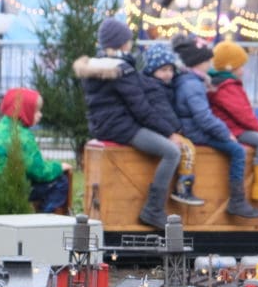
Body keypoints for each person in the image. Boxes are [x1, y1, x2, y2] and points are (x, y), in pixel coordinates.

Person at [75, 18, 182, 229]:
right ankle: (153, 209)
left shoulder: (96, 67)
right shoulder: (122, 69)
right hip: (122, 128)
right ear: (122, 43)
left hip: (103, 125)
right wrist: (169, 132)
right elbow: (141, 109)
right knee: (172, 152)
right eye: (128, 40)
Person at [171, 35, 258, 219]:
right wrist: (225, 133)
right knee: (237, 151)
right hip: (194, 132)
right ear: (198, 63)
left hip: (191, 128)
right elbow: (204, 117)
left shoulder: (191, 81)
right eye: (207, 60)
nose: (210, 64)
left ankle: (237, 200)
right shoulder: (192, 85)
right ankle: (237, 201)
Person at [207, 41, 258, 203]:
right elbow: (243, 114)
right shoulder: (227, 86)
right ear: (230, 67)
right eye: (240, 67)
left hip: (231, 127)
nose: (243, 71)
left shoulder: (221, 83)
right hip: (232, 129)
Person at [141, 43, 204, 206]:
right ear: (151, 70)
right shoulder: (154, 88)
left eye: (170, 70)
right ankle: (183, 188)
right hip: (161, 129)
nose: (168, 74)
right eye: (163, 70)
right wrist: (177, 130)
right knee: (187, 148)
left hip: (163, 128)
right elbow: (165, 113)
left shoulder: (164, 85)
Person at [0, 88, 71, 214]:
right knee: (61, 182)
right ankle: (44, 218)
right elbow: (38, 171)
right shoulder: (23, 136)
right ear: (24, 111)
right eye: (36, 111)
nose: (40, 114)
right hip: (15, 188)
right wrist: (59, 167)